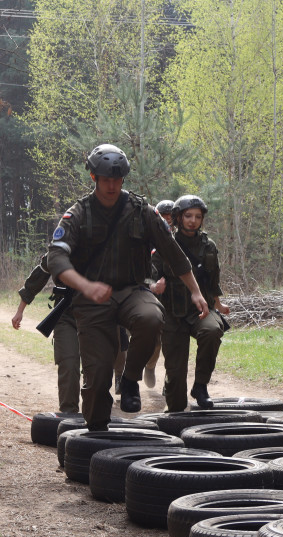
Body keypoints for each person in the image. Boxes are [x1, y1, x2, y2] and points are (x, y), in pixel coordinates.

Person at [46, 144, 207, 429]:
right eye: (105, 179)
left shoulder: (141, 212)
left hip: (132, 290)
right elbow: (56, 258)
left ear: (123, 180)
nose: (111, 185)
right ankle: (93, 437)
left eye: (117, 180)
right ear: (94, 178)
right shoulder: (78, 215)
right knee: (96, 378)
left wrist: (195, 290)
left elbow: (172, 252)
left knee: (151, 316)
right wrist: (85, 285)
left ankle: (130, 379)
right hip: (90, 300)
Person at [12, 256, 130, 414]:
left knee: (96, 369)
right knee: (68, 363)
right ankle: (68, 415)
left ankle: (95, 416)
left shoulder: (109, 243)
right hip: (67, 315)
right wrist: (20, 310)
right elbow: (39, 276)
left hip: (98, 316)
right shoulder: (64, 245)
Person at [150, 194, 230, 412]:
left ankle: (201, 386)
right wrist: (154, 286)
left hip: (200, 310)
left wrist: (219, 304)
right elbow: (148, 275)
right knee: (175, 379)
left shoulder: (209, 247)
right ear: (178, 218)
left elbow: (213, 281)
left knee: (213, 330)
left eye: (197, 216)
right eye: (187, 216)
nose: (193, 220)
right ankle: (175, 413)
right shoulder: (164, 245)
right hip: (172, 314)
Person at [143, 199, 177, 389]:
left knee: (174, 344)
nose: (167, 223)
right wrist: (152, 285)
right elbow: (141, 273)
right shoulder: (147, 242)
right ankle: (149, 365)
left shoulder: (182, 241)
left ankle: (170, 383)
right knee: (154, 343)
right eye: (163, 218)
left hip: (177, 301)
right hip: (154, 299)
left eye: (170, 219)